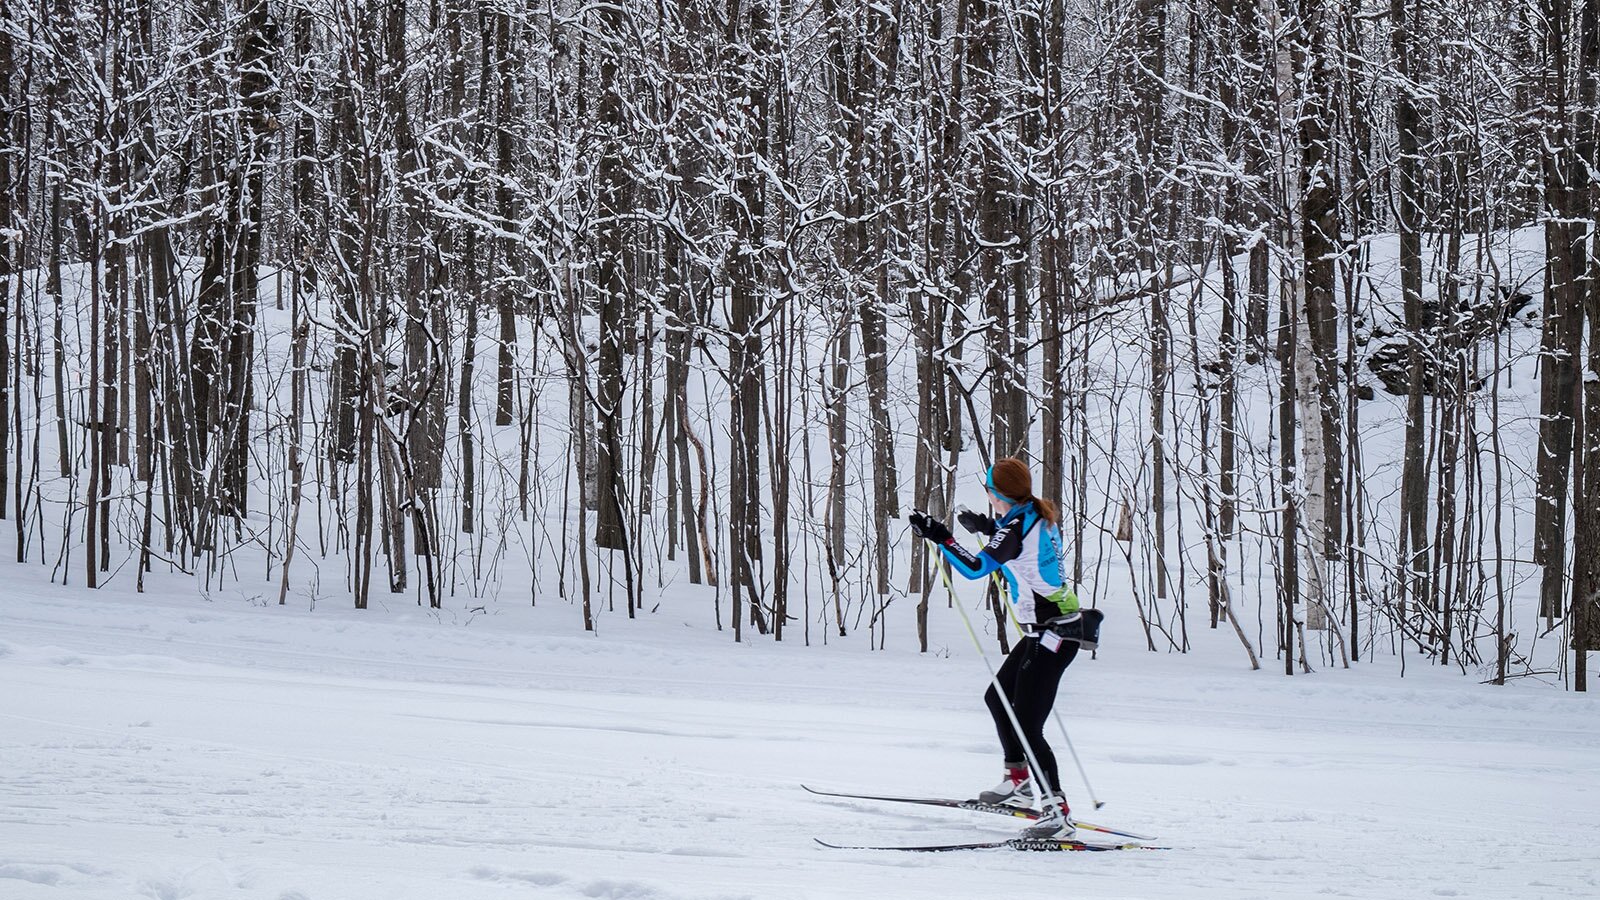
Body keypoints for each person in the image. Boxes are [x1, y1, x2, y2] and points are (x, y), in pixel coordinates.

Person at [908, 457, 1095, 840]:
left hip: (1056, 633)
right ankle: (1019, 782)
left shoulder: (1016, 523)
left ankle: (1057, 813)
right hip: (1043, 631)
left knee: (1028, 724)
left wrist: (941, 537)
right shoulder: (1029, 514)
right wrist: (987, 527)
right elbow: (1015, 543)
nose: (989, 498)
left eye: (990, 493)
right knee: (998, 698)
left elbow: (977, 568)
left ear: (998, 494)